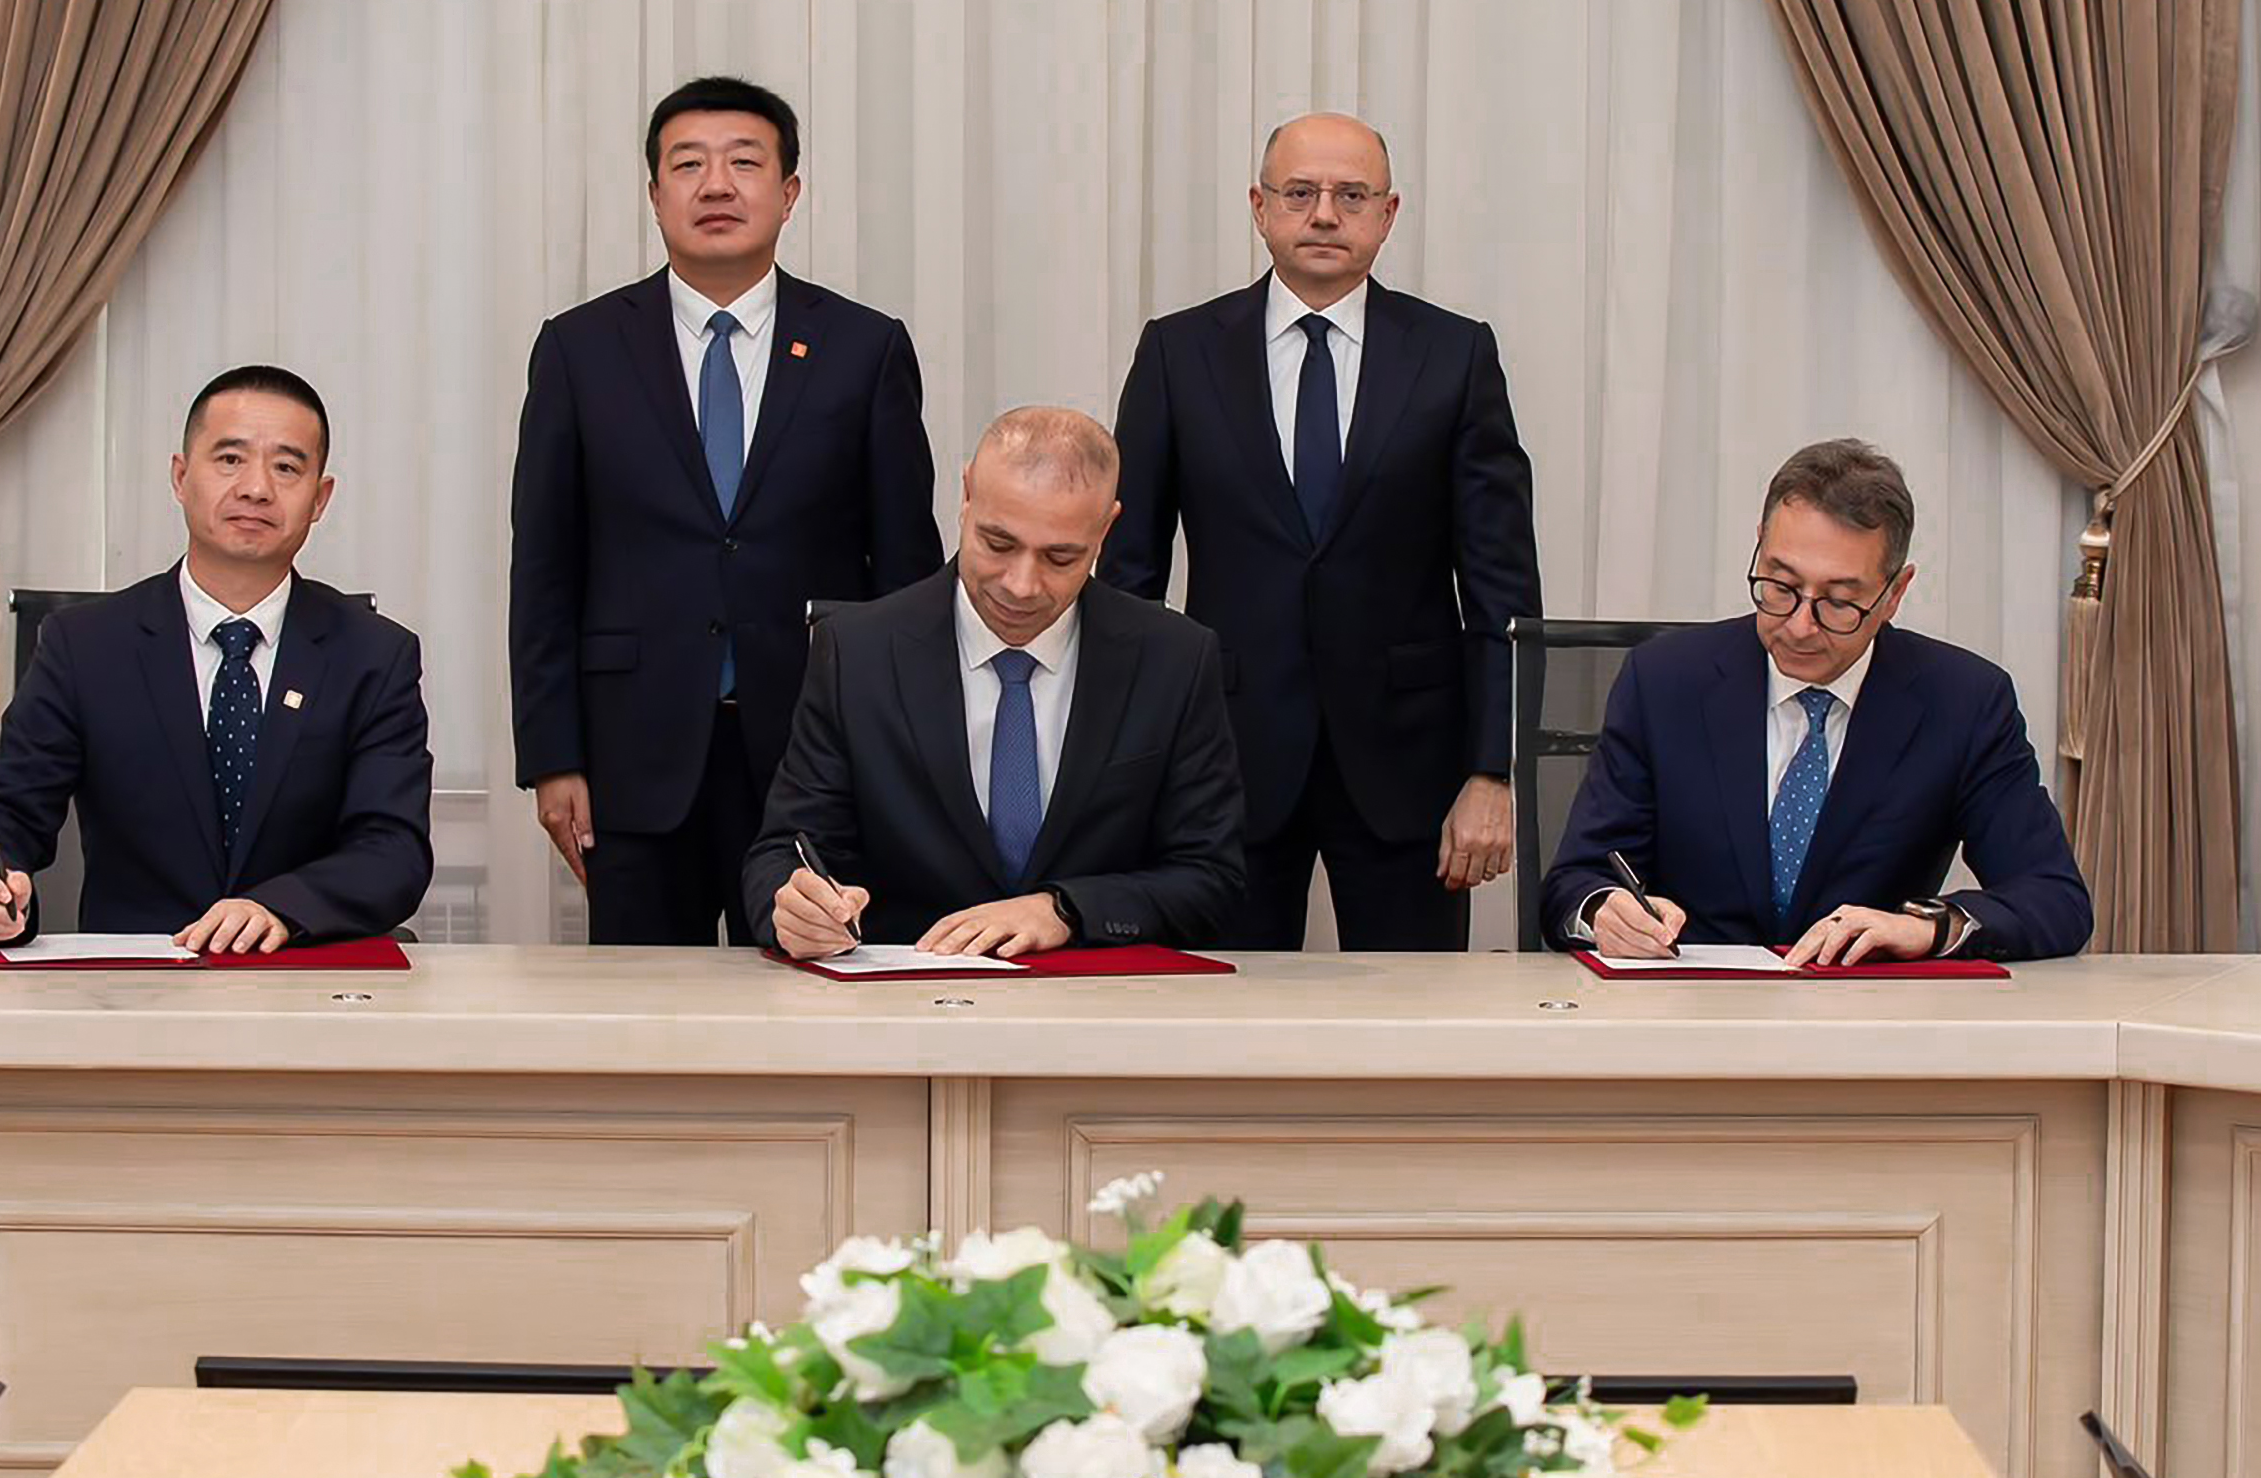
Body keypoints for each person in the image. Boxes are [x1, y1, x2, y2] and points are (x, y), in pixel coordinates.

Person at [511, 76, 945, 944]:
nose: (716, 185)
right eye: (689, 165)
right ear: (654, 194)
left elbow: (905, 571)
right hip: (633, 751)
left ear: (789, 192)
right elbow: (546, 567)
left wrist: (899, 752)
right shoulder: (580, 348)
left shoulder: (864, 348)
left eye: (744, 163)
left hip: (813, 749)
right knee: (641, 1005)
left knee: (807, 989)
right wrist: (552, 756)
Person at [1103, 113, 1541, 951]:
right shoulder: (1179, 352)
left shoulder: (1454, 355)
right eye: (1300, 193)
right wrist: (1130, 763)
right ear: (1260, 207)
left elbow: (1502, 584)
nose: (1325, 214)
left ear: (1389, 212)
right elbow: (1129, 577)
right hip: (1224, 755)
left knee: (1416, 1014)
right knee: (1225, 1012)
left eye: (1352, 195)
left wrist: (1493, 770)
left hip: (1409, 765)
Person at [0, 366, 432, 952]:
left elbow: (393, 849)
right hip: (132, 981)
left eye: (286, 467)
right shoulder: (86, 645)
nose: (256, 488)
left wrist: (281, 908)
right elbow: (6, 809)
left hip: (303, 974)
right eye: (230, 459)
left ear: (319, 498)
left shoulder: (374, 655)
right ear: (180, 476)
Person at [1545, 439, 2092, 964]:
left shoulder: (1964, 701)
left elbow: (2054, 897)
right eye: (1780, 586)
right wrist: (1603, 911)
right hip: (1688, 1006)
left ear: (1894, 593)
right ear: (1759, 546)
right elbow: (1575, 883)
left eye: (1839, 602)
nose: (1800, 626)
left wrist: (1926, 927)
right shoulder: (1664, 681)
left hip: (1866, 1011)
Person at [747, 407, 1244, 959]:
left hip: (1095, 993)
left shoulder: (1174, 659)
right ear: (966, 497)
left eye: (1061, 557)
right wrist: (795, 909)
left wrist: (1066, 910)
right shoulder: (857, 652)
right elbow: (784, 851)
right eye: (998, 544)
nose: (1022, 585)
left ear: (1106, 529)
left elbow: (1211, 878)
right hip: (906, 992)